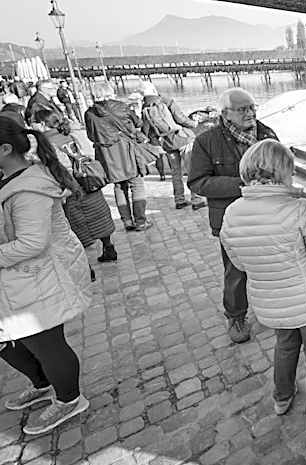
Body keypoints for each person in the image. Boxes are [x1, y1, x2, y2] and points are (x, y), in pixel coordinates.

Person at [220, 140, 306, 451]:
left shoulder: (232, 213)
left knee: (285, 345)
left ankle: (282, 397)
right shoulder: (299, 210)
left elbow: (239, 263)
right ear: (282, 171)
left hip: (270, 303)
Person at [0, 113, 92, 435]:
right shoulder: (11, 179)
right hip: (18, 278)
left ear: (5, 149)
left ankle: (69, 399)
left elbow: (32, 242)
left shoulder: (28, 190)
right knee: (12, 340)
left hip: (37, 277)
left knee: (46, 343)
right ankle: (42, 384)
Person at [189, 88, 278, 344]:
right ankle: (236, 316)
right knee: (236, 271)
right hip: (232, 219)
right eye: (242, 109)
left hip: (268, 214)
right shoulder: (206, 141)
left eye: (252, 107)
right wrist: (242, 185)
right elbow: (198, 182)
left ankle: (274, 307)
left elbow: (282, 167)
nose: (250, 113)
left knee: (273, 263)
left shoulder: (267, 134)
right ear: (226, 113)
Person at [35, 108, 117, 264]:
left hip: (71, 185)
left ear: (42, 124)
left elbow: (60, 167)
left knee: (78, 224)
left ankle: (87, 264)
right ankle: (108, 247)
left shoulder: (45, 143)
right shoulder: (68, 135)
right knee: (99, 215)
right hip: (88, 181)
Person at [84, 81, 154, 232]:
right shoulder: (121, 107)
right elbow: (138, 123)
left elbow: (90, 136)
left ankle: (127, 221)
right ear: (110, 92)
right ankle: (140, 221)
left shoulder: (89, 113)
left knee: (119, 186)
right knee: (136, 183)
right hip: (125, 149)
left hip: (106, 154)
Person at [138, 81, 205, 210]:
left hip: (167, 144)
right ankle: (197, 199)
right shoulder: (167, 101)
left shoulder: (145, 108)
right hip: (183, 138)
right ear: (154, 89)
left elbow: (147, 132)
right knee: (192, 169)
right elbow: (180, 118)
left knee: (176, 173)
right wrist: (193, 123)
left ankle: (179, 200)